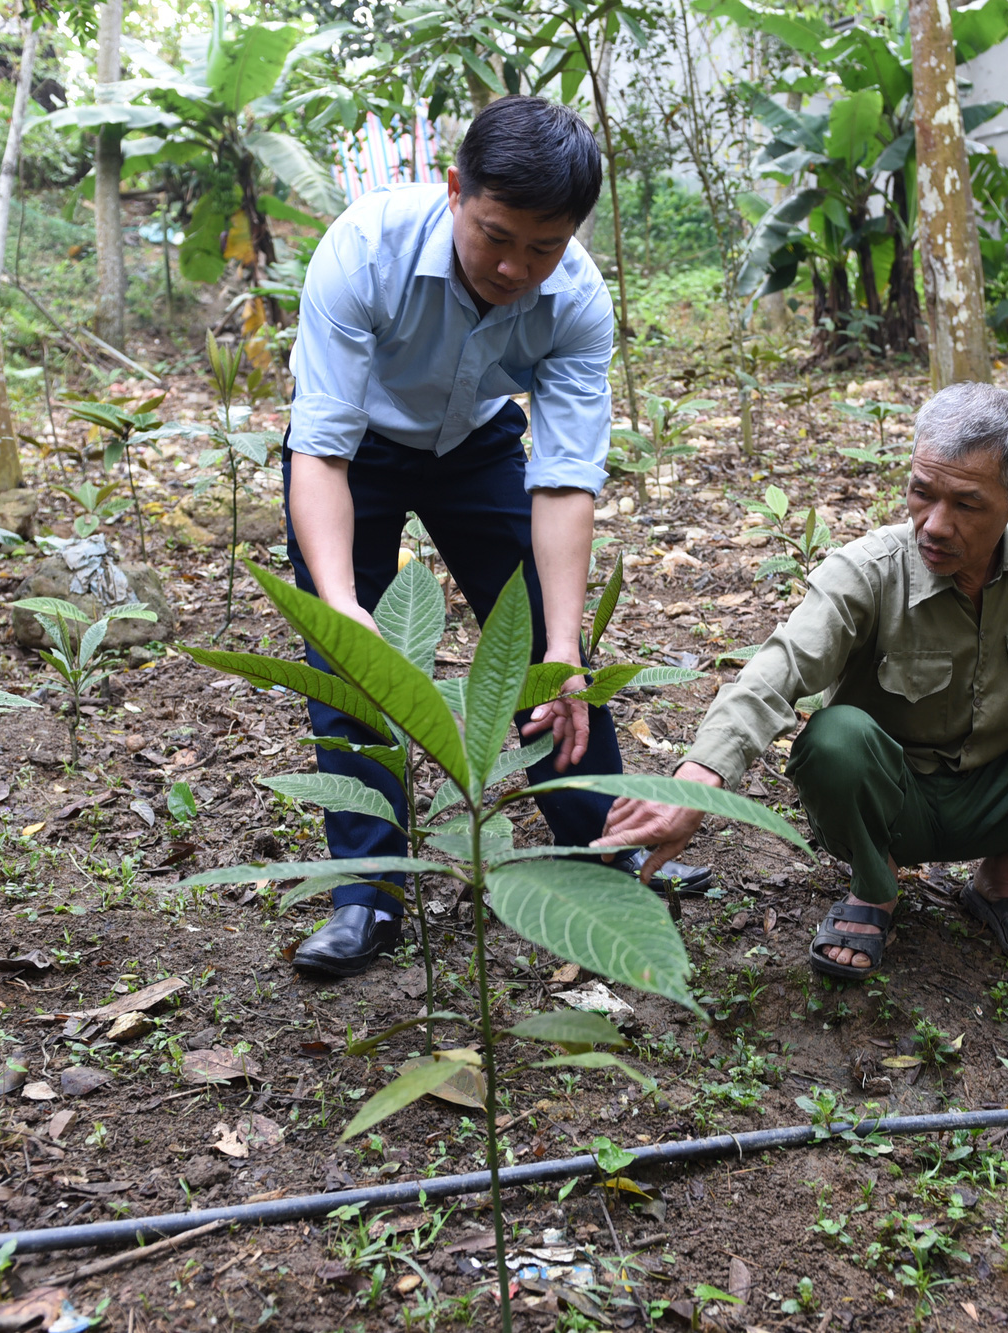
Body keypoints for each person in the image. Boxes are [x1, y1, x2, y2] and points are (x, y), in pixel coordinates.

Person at [280, 95, 711, 978]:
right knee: (347, 663)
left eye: (543, 248)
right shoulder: (364, 251)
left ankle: (605, 844)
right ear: (453, 192)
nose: (516, 268)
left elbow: (562, 478)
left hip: (477, 442)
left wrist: (562, 646)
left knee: (552, 657)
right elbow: (317, 449)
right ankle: (368, 892)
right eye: (496, 236)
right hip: (358, 448)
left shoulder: (579, 301)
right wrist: (338, 608)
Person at [594, 383, 1008, 978]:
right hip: (891, 797)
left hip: (1002, 792)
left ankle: (1005, 874)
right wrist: (696, 782)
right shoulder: (868, 571)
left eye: (966, 504)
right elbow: (773, 675)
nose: (934, 524)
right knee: (835, 737)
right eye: (921, 494)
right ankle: (873, 883)